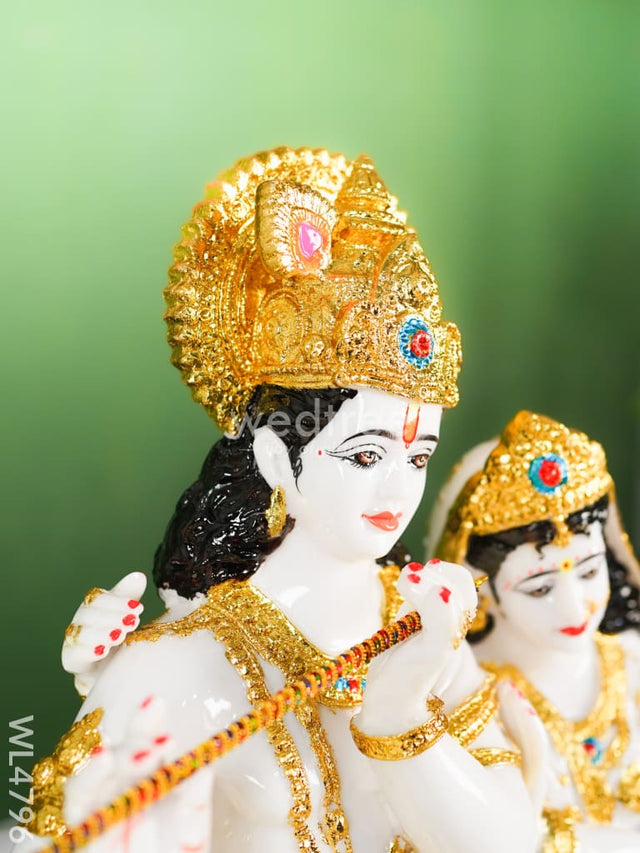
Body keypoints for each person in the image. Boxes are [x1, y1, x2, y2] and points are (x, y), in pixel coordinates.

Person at [19, 149, 542, 853]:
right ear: (273, 458)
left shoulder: (419, 625)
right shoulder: (186, 662)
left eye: (419, 457)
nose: (399, 489)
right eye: (365, 455)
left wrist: (397, 710)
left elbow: (509, 841)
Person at [429, 410, 640, 850]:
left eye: (589, 571)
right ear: (480, 586)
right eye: (540, 588)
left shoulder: (633, 661)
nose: (575, 607)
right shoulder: (471, 699)